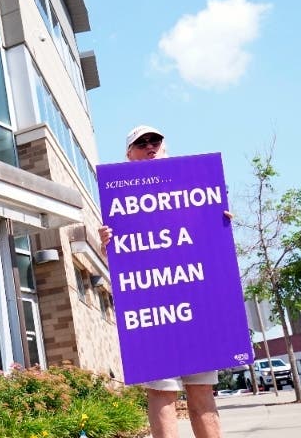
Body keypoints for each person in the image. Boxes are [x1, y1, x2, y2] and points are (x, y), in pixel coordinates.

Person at [98, 125, 224, 438]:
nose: (150, 146)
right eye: (141, 143)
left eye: (155, 141)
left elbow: (208, 248)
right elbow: (120, 267)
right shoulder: (119, 201)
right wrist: (107, 246)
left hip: (196, 306)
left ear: (165, 147)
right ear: (129, 155)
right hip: (153, 311)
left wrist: (220, 223)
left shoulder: (194, 190)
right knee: (162, 393)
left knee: (202, 392)